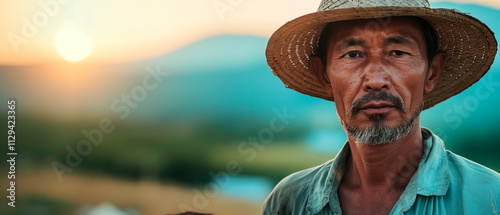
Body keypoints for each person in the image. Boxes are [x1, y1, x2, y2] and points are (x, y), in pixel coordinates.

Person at [263, 0, 500, 214]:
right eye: (353, 53)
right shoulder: (290, 202)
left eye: (398, 52)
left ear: (432, 72)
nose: (376, 80)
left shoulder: (489, 199)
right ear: (323, 75)